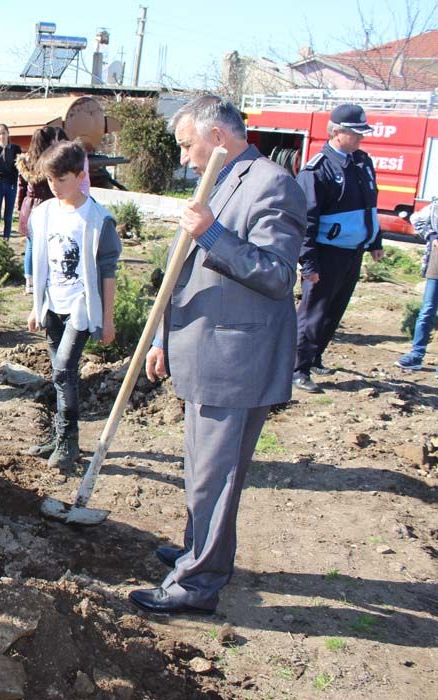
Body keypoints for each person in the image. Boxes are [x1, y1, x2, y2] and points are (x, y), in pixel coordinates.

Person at [132, 96, 305, 616]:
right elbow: (182, 267)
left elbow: (277, 275)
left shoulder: (272, 183)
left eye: (188, 145)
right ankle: (198, 549)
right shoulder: (225, 180)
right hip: (202, 350)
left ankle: (198, 582)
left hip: (235, 358)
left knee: (216, 473)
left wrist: (211, 231)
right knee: (202, 468)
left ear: (218, 139)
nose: (184, 158)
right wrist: (164, 338)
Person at [24, 142, 120, 469]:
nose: (53, 187)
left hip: (81, 306)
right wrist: (37, 306)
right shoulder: (44, 214)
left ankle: (69, 440)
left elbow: (108, 272)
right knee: (60, 373)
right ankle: (58, 435)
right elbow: (40, 264)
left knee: (64, 369)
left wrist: (108, 319)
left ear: (80, 176)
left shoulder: (97, 219)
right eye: (49, 180)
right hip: (53, 304)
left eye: (60, 180)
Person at [292, 103, 383, 394]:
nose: (361, 139)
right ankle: (297, 367)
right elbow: (306, 220)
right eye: (356, 133)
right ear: (336, 132)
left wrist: (375, 242)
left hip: (352, 251)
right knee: (313, 312)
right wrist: (309, 263)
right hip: (325, 253)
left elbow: (370, 205)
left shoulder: (362, 162)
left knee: (334, 310)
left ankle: (315, 357)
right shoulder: (318, 169)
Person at [17, 126, 68, 293]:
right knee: (49, 245)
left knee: (31, 245)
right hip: (46, 206)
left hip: (29, 205)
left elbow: (21, 188)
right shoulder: (49, 162)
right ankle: (45, 279)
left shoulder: (24, 162)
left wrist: (19, 208)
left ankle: (29, 281)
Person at [395, 198, 438, 372]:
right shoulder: (436, 205)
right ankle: (416, 355)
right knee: (427, 309)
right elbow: (416, 218)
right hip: (436, 262)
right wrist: (432, 235)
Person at [0, 123, 21, 241]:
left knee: (8, 216)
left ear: (8, 133)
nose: (1, 136)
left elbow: (18, 167)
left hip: (10, 184)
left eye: (3, 133)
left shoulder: (15, 148)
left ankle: (6, 240)